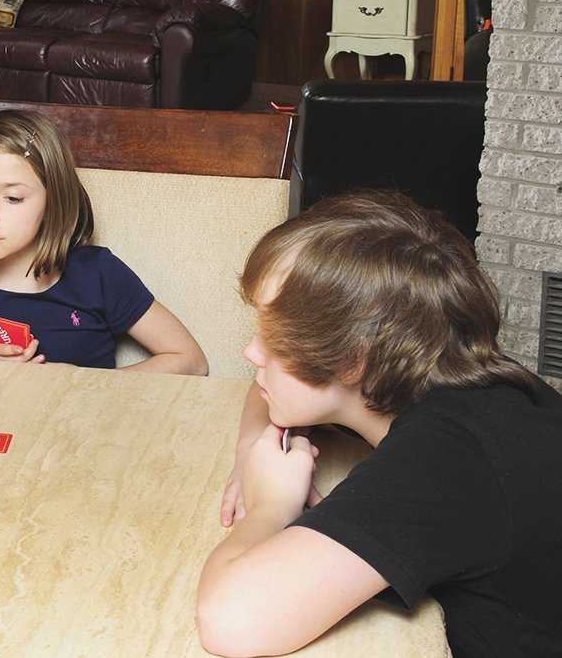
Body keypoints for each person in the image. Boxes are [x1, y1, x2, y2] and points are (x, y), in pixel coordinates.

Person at [196, 191, 562, 656]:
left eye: (276, 338)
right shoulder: (440, 372)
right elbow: (264, 387)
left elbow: (232, 620)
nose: (252, 353)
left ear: (353, 360)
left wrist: (271, 502)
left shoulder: (445, 459)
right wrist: (255, 450)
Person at [0, 109, 208, 374]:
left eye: (12, 198)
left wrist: (82, 383)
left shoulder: (98, 274)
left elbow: (190, 359)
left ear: (54, 203)